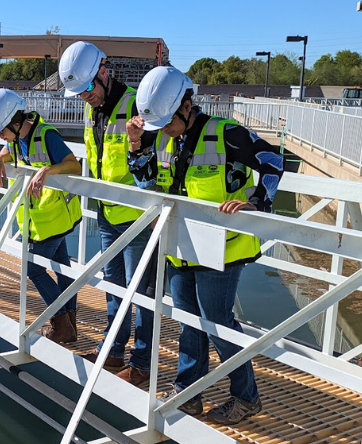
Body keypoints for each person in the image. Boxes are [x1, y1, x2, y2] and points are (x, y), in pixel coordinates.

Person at [127, 66, 284, 425]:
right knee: (187, 321)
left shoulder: (226, 133)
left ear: (187, 104)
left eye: (168, 121)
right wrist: (136, 143)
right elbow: (145, 181)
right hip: (182, 245)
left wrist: (258, 202)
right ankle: (189, 393)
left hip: (223, 249)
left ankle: (246, 398)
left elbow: (275, 162)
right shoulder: (166, 137)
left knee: (217, 322)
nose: (164, 128)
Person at [58, 41, 158, 387]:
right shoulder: (91, 109)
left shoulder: (137, 105)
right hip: (106, 214)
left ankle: (142, 364)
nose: (85, 96)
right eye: (79, 92)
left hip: (138, 218)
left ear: (103, 72)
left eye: (87, 88)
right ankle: (113, 352)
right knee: (113, 288)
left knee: (140, 292)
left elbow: (156, 161)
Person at [0, 88, 82, 343]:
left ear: (16, 122)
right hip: (45, 220)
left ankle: (60, 324)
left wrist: (48, 169)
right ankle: (70, 323)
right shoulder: (17, 138)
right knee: (62, 270)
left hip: (54, 218)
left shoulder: (47, 135)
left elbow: (75, 165)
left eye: (1, 131)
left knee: (34, 270)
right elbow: (7, 150)